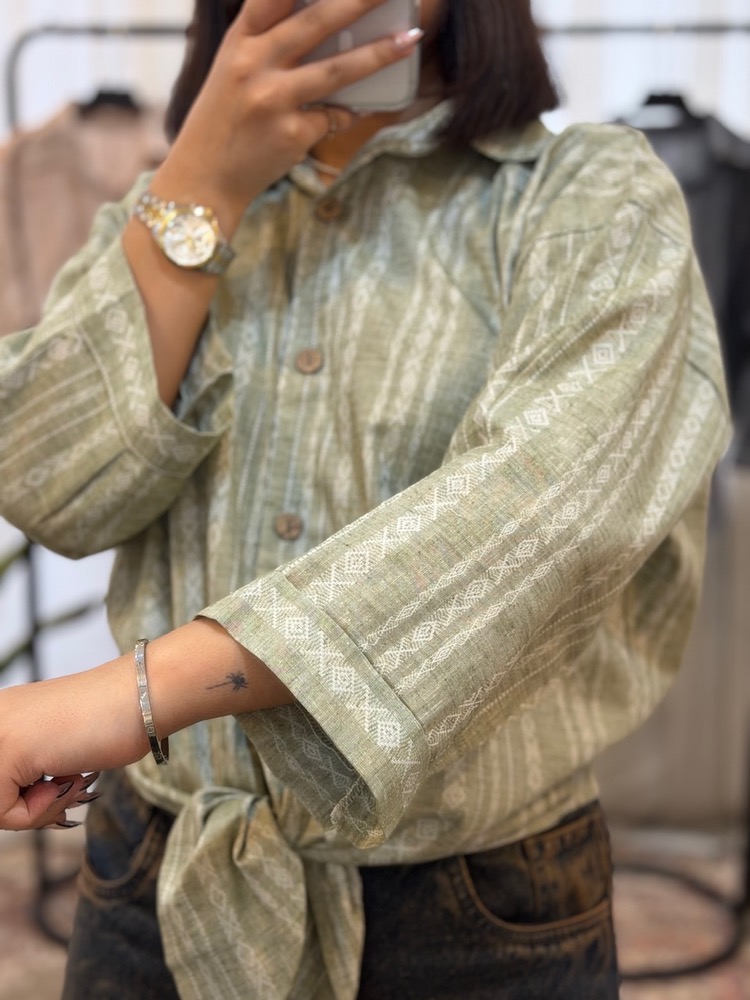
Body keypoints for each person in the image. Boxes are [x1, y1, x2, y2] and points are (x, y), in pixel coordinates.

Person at [0, 0, 730, 997]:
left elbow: (548, 517)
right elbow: (48, 485)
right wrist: (203, 184)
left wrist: (133, 694)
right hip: (152, 884)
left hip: (476, 908)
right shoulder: (171, 201)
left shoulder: (587, 197)